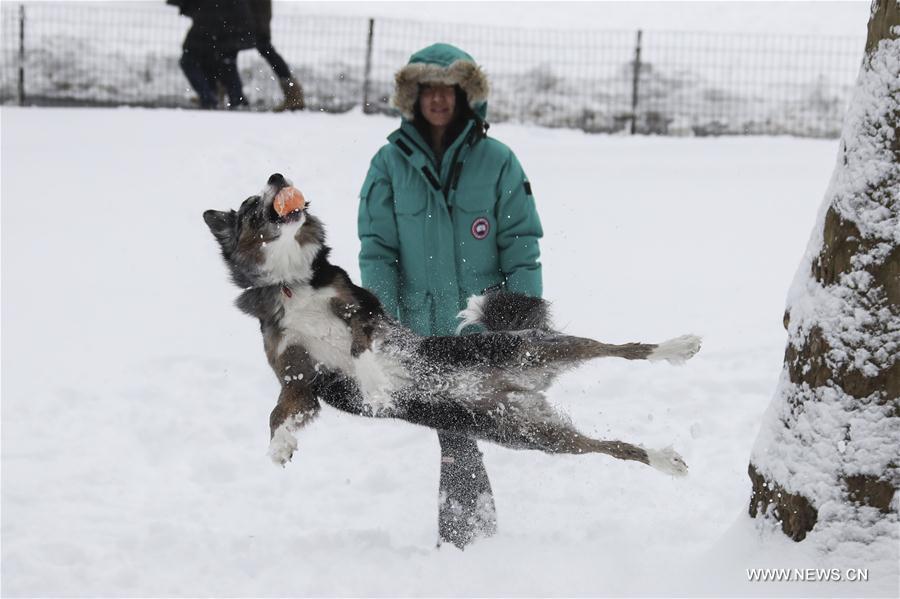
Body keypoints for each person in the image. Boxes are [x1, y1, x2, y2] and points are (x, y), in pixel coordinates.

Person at [357, 43, 543, 549]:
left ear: (466, 95)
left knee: (461, 431)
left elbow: (521, 249)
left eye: (448, 90)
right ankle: (471, 539)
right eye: (428, 91)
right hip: (420, 331)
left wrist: (520, 324)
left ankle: (467, 541)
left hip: (479, 330)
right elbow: (377, 251)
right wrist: (387, 323)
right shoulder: (388, 164)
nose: (438, 100)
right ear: (413, 97)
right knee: (457, 432)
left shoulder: (499, 162)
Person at [172, 0, 255, 109]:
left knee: (190, 61)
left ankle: (211, 97)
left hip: (211, 27)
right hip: (226, 29)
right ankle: (232, 99)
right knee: (223, 64)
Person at [246, 0, 305, 111]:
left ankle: (293, 94)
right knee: (265, 50)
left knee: (227, 54)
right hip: (255, 21)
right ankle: (293, 93)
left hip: (254, 22)